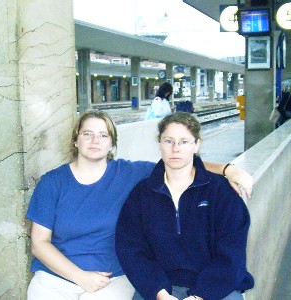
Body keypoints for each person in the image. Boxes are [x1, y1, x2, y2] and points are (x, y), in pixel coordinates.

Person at [26, 109, 253, 299]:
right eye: (87, 134)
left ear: (112, 144)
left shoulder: (131, 174)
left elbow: (181, 163)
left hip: (111, 276)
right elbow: (39, 243)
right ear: (76, 140)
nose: (95, 141)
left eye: (103, 136)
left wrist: (227, 169)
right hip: (58, 276)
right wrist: (80, 277)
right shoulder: (54, 182)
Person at [115, 112, 254, 300]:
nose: (176, 149)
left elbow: (232, 254)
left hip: (217, 288)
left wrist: (200, 296)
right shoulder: (142, 194)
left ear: (196, 145)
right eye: (168, 141)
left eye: (184, 142)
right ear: (159, 145)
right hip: (160, 288)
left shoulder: (222, 193)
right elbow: (131, 249)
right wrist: (159, 292)